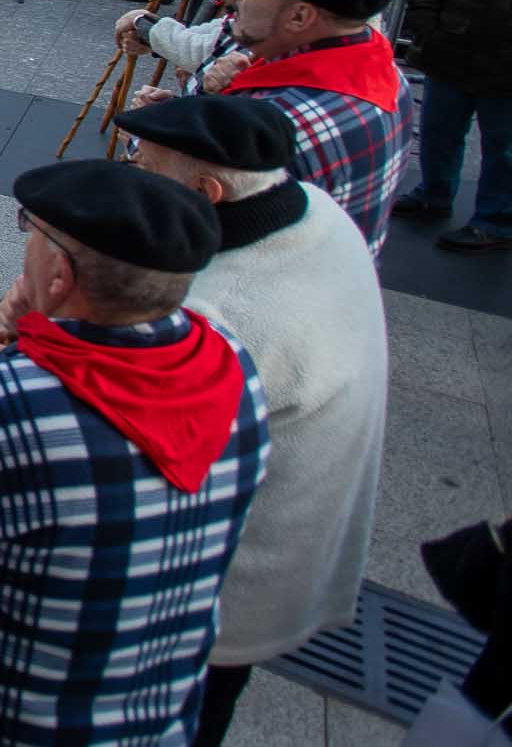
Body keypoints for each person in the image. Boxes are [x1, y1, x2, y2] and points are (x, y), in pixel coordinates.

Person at [0, 158, 267, 746]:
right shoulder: (230, 366)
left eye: (29, 230)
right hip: (143, 715)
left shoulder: (2, 409)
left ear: (59, 274)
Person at [111, 95, 386, 746]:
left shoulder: (213, 312)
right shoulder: (315, 211)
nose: (127, 174)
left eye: (141, 164)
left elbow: (122, 462)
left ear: (205, 192)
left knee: (180, 719)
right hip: (300, 537)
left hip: (226, 586)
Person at [194, 0, 410, 256]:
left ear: (299, 16)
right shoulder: (387, 74)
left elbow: (183, 223)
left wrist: (151, 141)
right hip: (338, 286)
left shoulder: (270, 122)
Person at [393, 0, 512, 252]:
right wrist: (429, 27)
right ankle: (433, 192)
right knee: (439, 130)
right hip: (452, 44)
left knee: (504, 146)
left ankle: (495, 220)